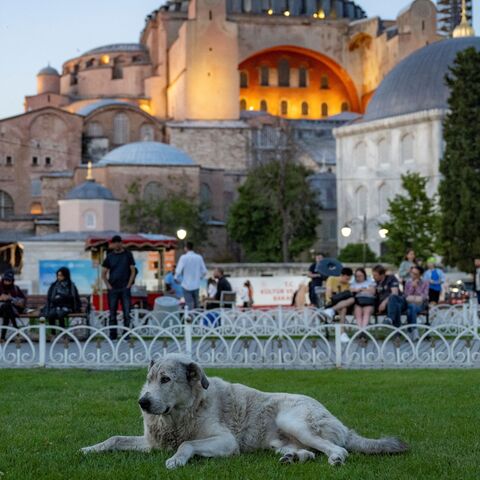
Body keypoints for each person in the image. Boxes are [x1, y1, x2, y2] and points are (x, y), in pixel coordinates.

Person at [102, 235, 136, 340]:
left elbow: (133, 271)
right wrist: (108, 285)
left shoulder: (128, 255)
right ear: (112, 244)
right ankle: (113, 335)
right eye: (114, 242)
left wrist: (129, 284)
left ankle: (126, 334)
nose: (117, 244)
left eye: (118, 242)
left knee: (126, 312)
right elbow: (103, 273)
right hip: (113, 288)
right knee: (112, 312)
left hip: (125, 288)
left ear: (121, 243)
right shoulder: (109, 256)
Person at [322, 267, 354, 343]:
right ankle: (342, 334)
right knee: (343, 307)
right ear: (342, 275)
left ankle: (331, 311)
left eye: (349, 279)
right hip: (331, 303)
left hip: (340, 306)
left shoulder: (348, 285)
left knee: (347, 304)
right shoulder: (332, 279)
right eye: (346, 278)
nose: (347, 281)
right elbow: (329, 293)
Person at [44, 267, 81, 331]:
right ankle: (53, 334)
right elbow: (50, 298)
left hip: (67, 307)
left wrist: (61, 297)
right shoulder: (54, 285)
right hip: (55, 306)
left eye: (61, 275)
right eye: (58, 275)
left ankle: (63, 334)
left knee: (60, 315)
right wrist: (59, 299)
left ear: (65, 275)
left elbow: (72, 298)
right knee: (51, 315)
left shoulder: (70, 286)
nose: (59, 277)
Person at [175, 242, 207, 310]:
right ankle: (197, 318)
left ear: (186, 248)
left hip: (186, 284)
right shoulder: (199, 257)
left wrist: (176, 278)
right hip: (196, 284)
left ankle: (190, 318)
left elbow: (178, 270)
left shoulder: (183, 257)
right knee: (196, 303)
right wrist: (200, 277)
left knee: (189, 303)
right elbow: (204, 271)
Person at [404, 265, 429, 342]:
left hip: (421, 305)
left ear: (420, 275)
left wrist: (417, 287)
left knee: (411, 308)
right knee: (411, 308)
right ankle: (414, 331)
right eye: (412, 273)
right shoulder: (408, 282)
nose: (413, 275)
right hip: (409, 304)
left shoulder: (425, 282)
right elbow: (406, 295)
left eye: (415, 274)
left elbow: (424, 296)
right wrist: (412, 286)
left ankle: (409, 331)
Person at [0, 270, 26, 342]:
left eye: (9, 280)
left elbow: (23, 299)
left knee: (7, 308)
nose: (7, 282)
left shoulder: (15, 288)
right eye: (5, 280)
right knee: (6, 307)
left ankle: (2, 337)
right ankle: (16, 330)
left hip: (12, 310)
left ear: (12, 281)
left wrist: (15, 300)